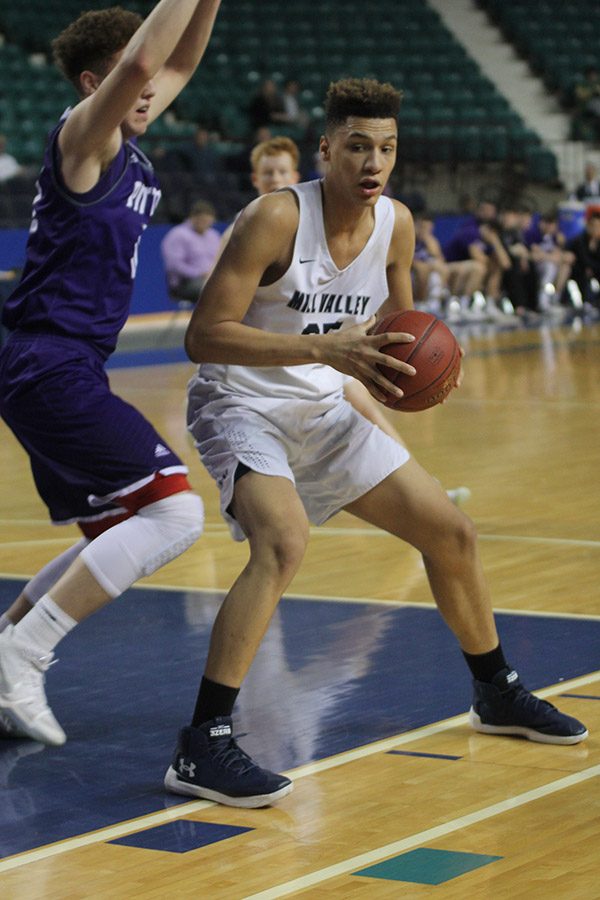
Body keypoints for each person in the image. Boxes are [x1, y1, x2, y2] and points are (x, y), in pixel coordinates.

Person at [162, 78, 587, 810]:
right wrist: (324, 351)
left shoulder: (397, 224)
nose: (373, 162)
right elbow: (205, 337)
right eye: (358, 145)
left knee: (451, 532)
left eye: (386, 148)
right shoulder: (272, 218)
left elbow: (399, 324)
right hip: (243, 404)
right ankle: (203, 743)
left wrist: (422, 369)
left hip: (326, 410)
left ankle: (497, 692)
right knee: (282, 542)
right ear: (326, 149)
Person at [0, 0, 222, 746]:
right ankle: (21, 657)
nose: (156, 86)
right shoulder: (83, 137)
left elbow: (178, 62)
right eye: (139, 76)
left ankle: (7, 644)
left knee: (121, 522)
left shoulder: (131, 135)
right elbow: (142, 65)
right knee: (175, 512)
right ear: (99, 83)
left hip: (66, 366)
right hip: (47, 359)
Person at [217, 136, 470, 506]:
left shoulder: (330, 223)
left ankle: (422, 489)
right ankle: (421, 491)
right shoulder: (249, 228)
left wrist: (425, 345)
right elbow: (220, 316)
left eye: (283, 171)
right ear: (255, 180)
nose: (276, 179)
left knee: (369, 411)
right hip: (273, 363)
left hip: (326, 350)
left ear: (296, 174)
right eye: (268, 173)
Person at [161, 199, 222, 302]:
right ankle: (211, 318)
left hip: (212, 278)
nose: (204, 224)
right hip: (185, 284)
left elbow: (221, 258)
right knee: (216, 289)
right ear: (193, 218)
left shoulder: (214, 235)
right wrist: (199, 273)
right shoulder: (178, 235)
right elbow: (174, 265)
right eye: (201, 221)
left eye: (207, 221)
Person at [565, 208, 600, 307]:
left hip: (595, 270)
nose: (595, 229)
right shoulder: (580, 240)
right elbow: (582, 259)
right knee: (583, 276)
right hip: (580, 271)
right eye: (593, 226)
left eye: (598, 226)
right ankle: (585, 304)